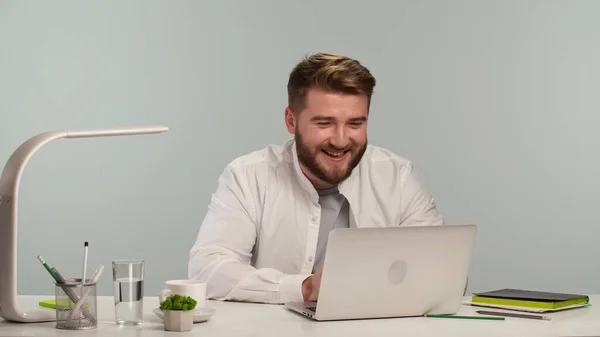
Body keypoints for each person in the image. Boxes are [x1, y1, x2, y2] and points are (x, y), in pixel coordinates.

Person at [188, 52, 444, 304]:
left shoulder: (398, 177)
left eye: (355, 124)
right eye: (324, 123)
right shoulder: (248, 176)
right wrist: (305, 288)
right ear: (291, 121)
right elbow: (207, 269)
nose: (341, 140)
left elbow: (442, 271)